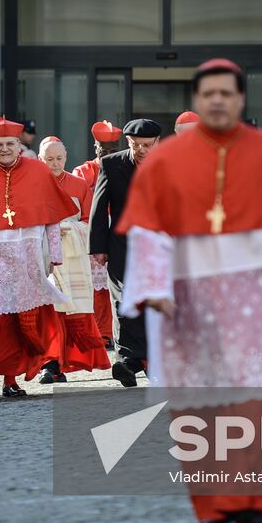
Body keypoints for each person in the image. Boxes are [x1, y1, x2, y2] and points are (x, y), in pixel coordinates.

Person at [117, 58, 262, 523]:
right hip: (191, 299)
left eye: (226, 93)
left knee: (261, 400)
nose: (217, 100)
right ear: (197, 100)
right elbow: (147, 233)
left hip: (255, 294)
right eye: (208, 93)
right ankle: (214, 507)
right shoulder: (166, 160)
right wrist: (153, 289)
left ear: (240, 99)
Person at [0, 117, 77, 397]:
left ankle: (10, 380)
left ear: (19, 146)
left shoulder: (39, 172)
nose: (4, 149)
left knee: (17, 322)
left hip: (25, 255)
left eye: (10, 144)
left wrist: (54, 253)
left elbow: (52, 218)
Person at [90, 118, 162, 386]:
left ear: (158, 142)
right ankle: (127, 359)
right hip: (122, 245)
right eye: (135, 145)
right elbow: (99, 206)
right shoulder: (112, 164)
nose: (141, 150)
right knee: (123, 302)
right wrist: (97, 247)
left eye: (146, 145)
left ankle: (140, 361)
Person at [38, 137, 111, 384]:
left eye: (59, 158)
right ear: (40, 159)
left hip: (72, 259)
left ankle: (64, 361)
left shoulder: (79, 185)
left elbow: (90, 220)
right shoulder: (32, 184)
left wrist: (69, 227)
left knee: (70, 311)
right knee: (48, 311)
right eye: (49, 159)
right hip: (43, 256)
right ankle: (50, 362)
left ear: (66, 158)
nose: (55, 163)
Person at [74, 120, 124, 347]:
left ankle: (109, 332)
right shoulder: (82, 172)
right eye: (104, 151)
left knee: (113, 284)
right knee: (92, 287)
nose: (108, 155)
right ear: (96, 149)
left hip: (118, 229)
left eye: (113, 151)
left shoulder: (125, 166)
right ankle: (95, 333)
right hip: (91, 229)